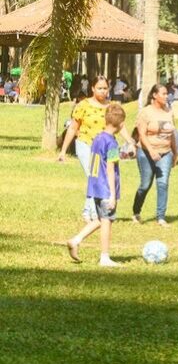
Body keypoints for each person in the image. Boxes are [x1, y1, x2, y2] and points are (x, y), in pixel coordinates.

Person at [59, 75, 135, 222]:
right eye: (99, 88)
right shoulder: (83, 105)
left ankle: (88, 211)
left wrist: (130, 141)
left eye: (105, 88)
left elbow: (121, 126)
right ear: (92, 88)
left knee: (100, 178)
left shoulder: (112, 107)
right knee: (92, 175)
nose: (102, 91)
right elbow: (73, 128)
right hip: (86, 145)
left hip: (105, 147)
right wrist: (63, 151)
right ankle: (95, 214)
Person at [64, 103, 126, 267]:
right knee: (107, 221)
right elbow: (111, 168)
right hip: (106, 188)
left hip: (96, 185)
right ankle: (105, 257)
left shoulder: (98, 137)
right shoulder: (112, 143)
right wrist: (112, 194)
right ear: (120, 124)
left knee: (100, 219)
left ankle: (76, 240)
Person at [132, 84, 177, 227]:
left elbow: (172, 135)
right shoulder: (146, 112)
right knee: (145, 184)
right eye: (163, 94)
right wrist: (151, 151)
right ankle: (136, 211)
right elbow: (142, 135)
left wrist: (174, 153)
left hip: (165, 153)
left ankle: (161, 217)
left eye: (167, 94)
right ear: (154, 95)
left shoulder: (169, 111)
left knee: (163, 184)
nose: (166, 96)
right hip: (146, 152)